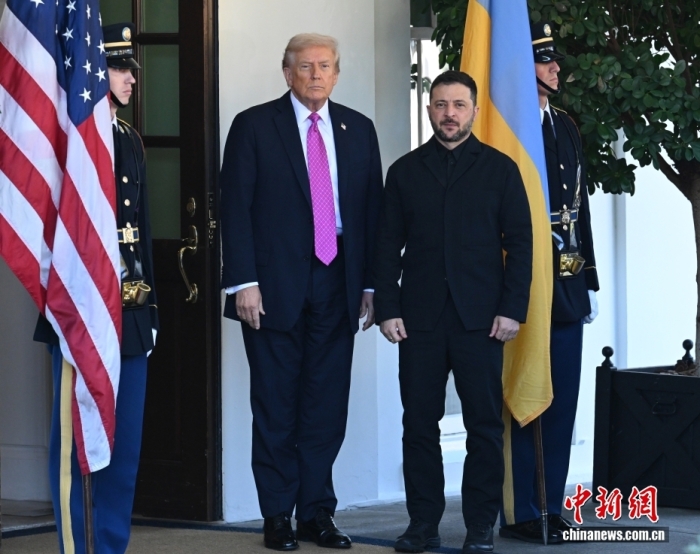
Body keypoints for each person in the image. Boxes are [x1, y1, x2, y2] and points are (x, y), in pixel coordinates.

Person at [219, 33, 383, 551]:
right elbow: (234, 206)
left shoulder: (359, 128)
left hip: (339, 280)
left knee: (325, 406)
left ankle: (317, 513)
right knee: (275, 404)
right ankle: (277, 516)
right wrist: (243, 281)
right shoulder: (253, 126)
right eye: (306, 66)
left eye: (325, 66)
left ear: (337, 74)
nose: (316, 75)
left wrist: (371, 284)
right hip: (271, 287)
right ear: (287, 72)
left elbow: (372, 214)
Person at [373, 70, 533, 554]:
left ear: (474, 111)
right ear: (429, 110)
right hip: (417, 320)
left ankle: (480, 526)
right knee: (418, 425)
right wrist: (387, 308)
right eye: (441, 104)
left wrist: (512, 309)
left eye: (459, 105)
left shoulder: (501, 170)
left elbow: (521, 245)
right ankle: (422, 524)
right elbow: (386, 247)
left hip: (482, 321)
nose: (449, 114)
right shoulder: (404, 171)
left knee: (483, 427)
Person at [33, 22, 159, 554]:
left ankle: (109, 546)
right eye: (119, 67)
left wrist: (151, 309)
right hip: (82, 310)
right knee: (77, 444)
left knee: (123, 445)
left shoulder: (127, 138)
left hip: (129, 312)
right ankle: (79, 547)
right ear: (92, 72)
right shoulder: (68, 137)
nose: (131, 78)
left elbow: (141, 232)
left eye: (131, 68)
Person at [499, 21, 600, 545]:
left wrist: (591, 278)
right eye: (545, 60)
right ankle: (521, 510)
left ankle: (550, 504)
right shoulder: (509, 132)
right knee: (524, 394)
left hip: (567, 281)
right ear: (525, 69)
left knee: (561, 397)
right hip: (522, 282)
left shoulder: (564, 125)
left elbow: (580, 210)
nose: (557, 67)